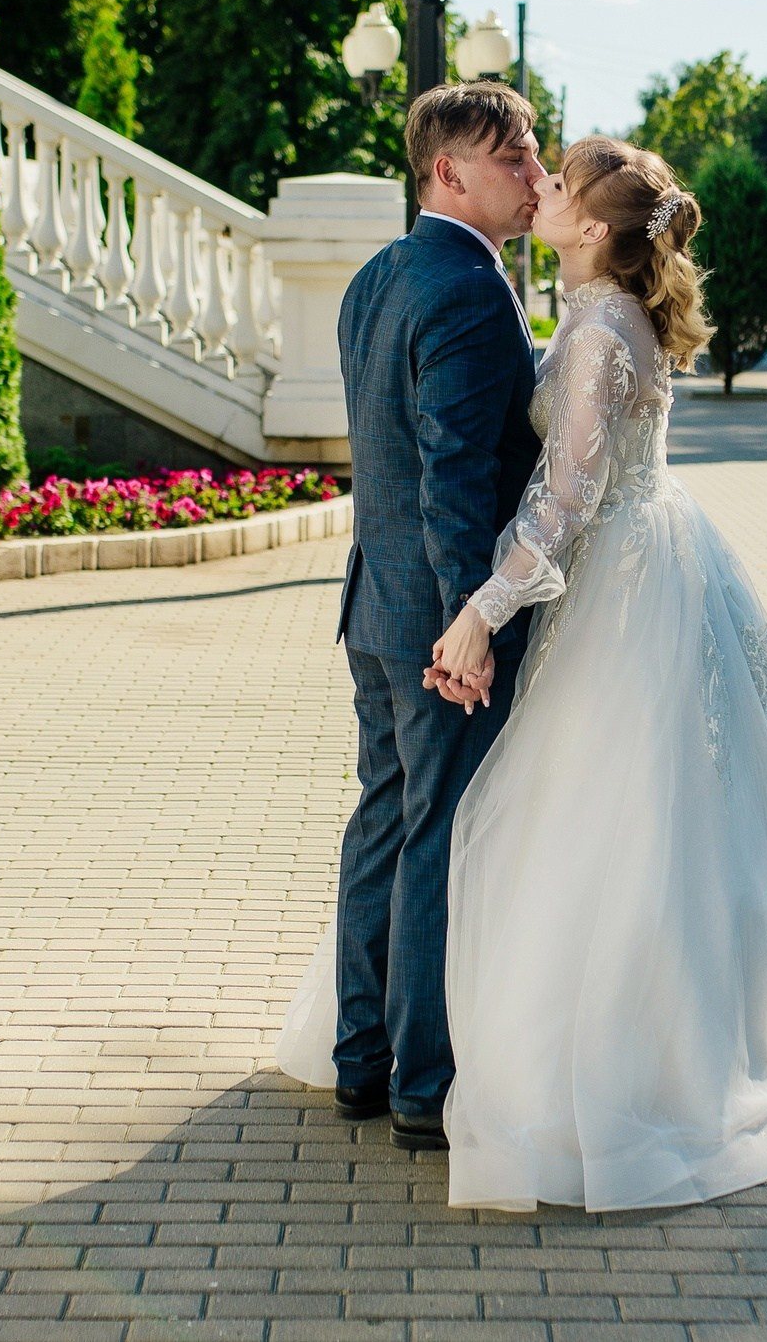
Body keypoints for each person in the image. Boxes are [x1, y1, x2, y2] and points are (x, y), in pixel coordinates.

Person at [281, 135, 767, 1212]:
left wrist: (479, 611)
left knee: (595, 824)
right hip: (619, 567)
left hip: (615, 582)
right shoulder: (588, 310)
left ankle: (588, 1049)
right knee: (580, 818)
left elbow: (563, 499)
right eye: (531, 169)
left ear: (595, 229)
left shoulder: (599, 326)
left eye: (557, 182)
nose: (539, 186)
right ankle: (428, 1048)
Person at [292, 82, 547, 1154]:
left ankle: (361, 1059)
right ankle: (422, 1081)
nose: (536, 175)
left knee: (384, 823)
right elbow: (450, 475)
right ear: (448, 170)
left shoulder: (374, 278)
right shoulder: (471, 293)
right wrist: (470, 624)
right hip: (437, 625)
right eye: (515, 157)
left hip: (372, 606)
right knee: (436, 836)